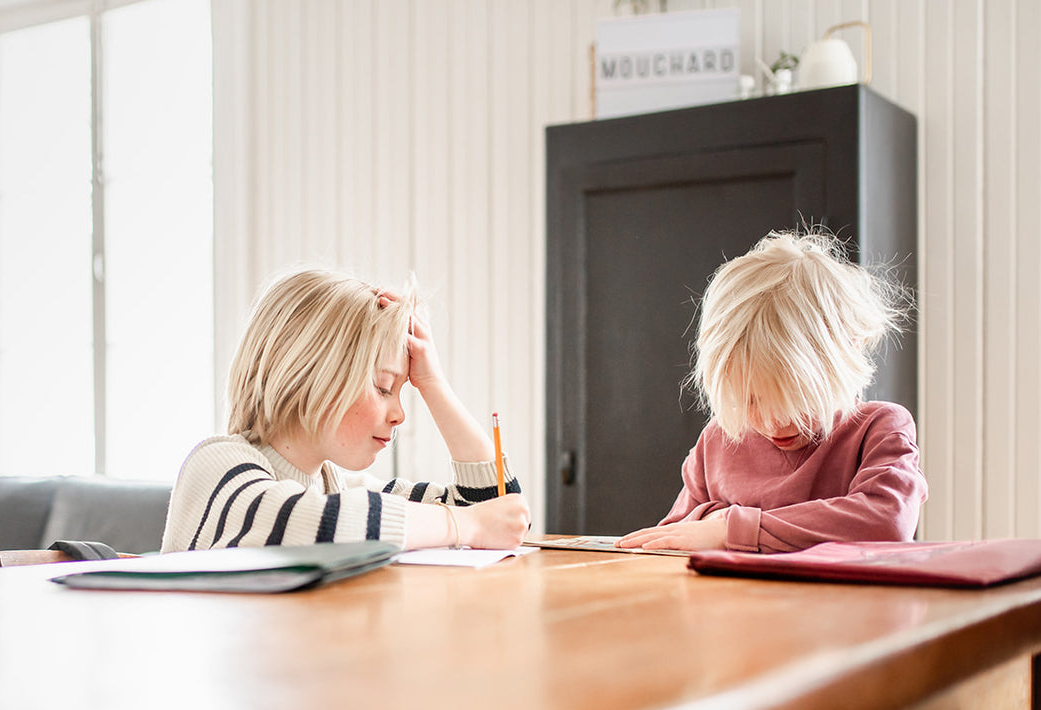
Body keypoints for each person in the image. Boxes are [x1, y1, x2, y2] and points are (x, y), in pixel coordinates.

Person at [160, 268, 530, 552]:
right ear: (310, 374)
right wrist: (464, 524)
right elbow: (312, 525)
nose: (399, 413)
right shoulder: (217, 466)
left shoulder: (335, 485)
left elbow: (496, 506)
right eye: (384, 387)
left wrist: (434, 384)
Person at [618, 230, 927, 553]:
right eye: (749, 399)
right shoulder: (718, 440)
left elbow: (886, 520)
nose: (772, 422)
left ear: (849, 353)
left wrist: (729, 527)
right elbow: (672, 537)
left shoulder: (878, 428)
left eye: (794, 399)